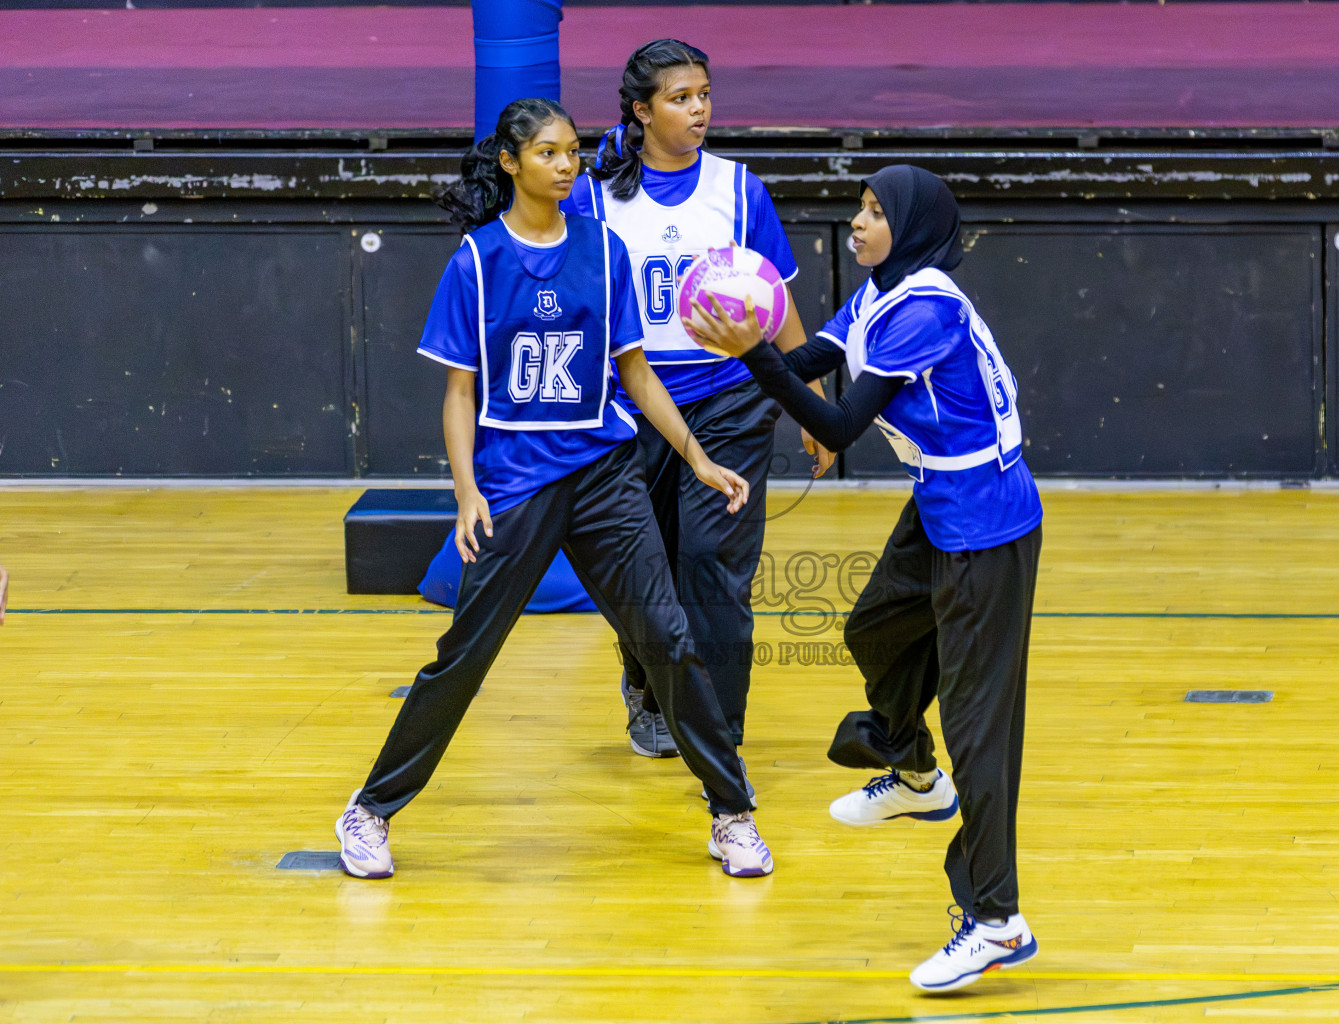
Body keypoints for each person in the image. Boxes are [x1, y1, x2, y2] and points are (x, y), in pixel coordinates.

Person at [334, 98, 773, 882]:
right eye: (549, 153)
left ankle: (731, 813)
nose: (568, 165)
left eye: (573, 152)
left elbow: (635, 372)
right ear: (511, 163)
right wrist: (467, 491)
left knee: (668, 640)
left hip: (605, 476)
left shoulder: (605, 251)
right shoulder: (476, 260)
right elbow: (460, 393)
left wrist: (697, 458)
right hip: (514, 483)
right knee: (464, 657)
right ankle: (369, 809)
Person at [686, 165, 1043, 989]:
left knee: (981, 728)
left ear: (912, 229)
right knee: (874, 630)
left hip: (987, 524)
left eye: (875, 213)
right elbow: (814, 357)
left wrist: (756, 357)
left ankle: (997, 919)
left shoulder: (924, 310)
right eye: (859, 207)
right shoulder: (885, 289)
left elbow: (840, 423)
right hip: (942, 505)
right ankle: (915, 773)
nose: (857, 222)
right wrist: (748, 336)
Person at [564, 39, 833, 776]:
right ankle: (651, 691)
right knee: (642, 573)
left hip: (732, 397)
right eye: (681, 98)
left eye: (705, 95)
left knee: (714, 564)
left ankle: (719, 725)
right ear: (642, 111)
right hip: (631, 405)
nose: (699, 109)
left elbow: (777, 308)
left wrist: (811, 406)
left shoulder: (739, 189)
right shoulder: (593, 195)